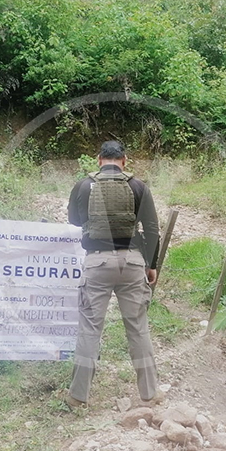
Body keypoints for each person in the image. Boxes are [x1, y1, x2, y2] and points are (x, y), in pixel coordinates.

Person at [66, 140, 163, 408]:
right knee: (138, 328)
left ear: (99, 160)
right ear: (124, 160)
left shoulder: (83, 185)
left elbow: (74, 220)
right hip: (131, 262)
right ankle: (150, 394)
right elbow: (152, 229)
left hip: (96, 263)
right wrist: (151, 264)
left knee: (90, 330)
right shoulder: (138, 186)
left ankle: (78, 396)